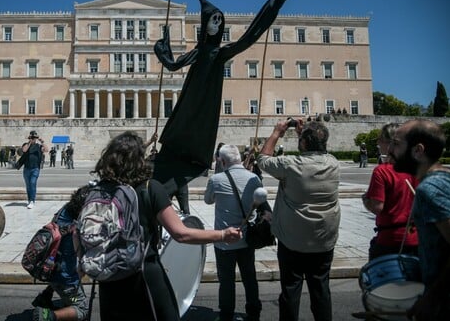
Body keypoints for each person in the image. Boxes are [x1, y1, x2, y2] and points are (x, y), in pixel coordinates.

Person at [152, 0, 292, 204]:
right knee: (174, 143)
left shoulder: (220, 53)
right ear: (205, 24)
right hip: (188, 103)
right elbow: (172, 65)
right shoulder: (198, 52)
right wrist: (163, 47)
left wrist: (274, 5)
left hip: (205, 105)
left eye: (219, 20)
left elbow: (247, 39)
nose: (216, 23)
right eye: (213, 19)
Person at [93, 131, 241, 321]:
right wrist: (222, 235)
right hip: (143, 275)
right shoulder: (150, 188)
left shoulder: (99, 190)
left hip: (109, 277)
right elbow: (181, 234)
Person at [257, 119, 340, 321]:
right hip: (323, 240)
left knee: (290, 290)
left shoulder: (290, 165)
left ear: (303, 143)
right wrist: (305, 135)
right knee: (321, 290)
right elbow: (315, 149)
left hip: (292, 241)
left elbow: (263, 159)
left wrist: (277, 132)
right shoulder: (333, 163)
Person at [389, 119, 450, 320]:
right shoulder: (446, 176)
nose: (390, 149)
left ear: (418, 150)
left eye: (397, 144)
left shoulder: (430, 189)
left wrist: (433, 297)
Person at [205, 144, 263, 321]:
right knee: (249, 277)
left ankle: (226, 314)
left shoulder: (216, 180)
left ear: (222, 161)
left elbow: (208, 200)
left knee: (226, 280)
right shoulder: (254, 178)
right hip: (247, 239)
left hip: (225, 241)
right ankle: (253, 311)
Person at [362, 123, 418, 260]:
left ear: (391, 143)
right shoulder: (418, 168)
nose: (378, 142)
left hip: (390, 240)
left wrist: (365, 199)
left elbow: (377, 207)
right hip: (417, 238)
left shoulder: (382, 171)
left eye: (380, 139)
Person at [33, 186, 90, 321]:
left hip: (50, 268)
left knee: (65, 271)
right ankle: (47, 316)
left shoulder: (64, 211)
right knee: (81, 306)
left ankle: (45, 297)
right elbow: (82, 262)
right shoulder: (75, 228)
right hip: (65, 280)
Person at [19, 131, 44, 209]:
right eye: (32, 137)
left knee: (33, 183)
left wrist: (42, 141)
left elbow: (46, 149)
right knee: (28, 186)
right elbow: (24, 150)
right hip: (26, 168)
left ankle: (32, 201)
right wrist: (29, 142)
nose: (33, 139)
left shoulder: (39, 146)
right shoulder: (26, 145)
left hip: (35, 168)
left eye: (34, 137)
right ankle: (30, 200)